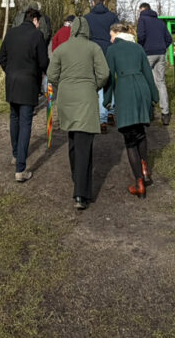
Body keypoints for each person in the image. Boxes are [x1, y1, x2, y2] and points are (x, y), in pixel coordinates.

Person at [46, 15, 109, 210]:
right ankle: (81, 193)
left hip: (66, 98)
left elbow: (51, 74)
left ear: (72, 30)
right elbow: (104, 73)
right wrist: (94, 87)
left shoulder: (62, 48)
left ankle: (77, 177)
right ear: (87, 31)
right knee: (84, 144)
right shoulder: (94, 48)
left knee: (73, 140)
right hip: (86, 98)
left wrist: (62, 86)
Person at [105, 22, 160, 197]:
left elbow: (109, 77)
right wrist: (154, 96)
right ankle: (145, 168)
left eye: (111, 35)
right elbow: (148, 73)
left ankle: (139, 182)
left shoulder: (112, 50)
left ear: (116, 33)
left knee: (129, 139)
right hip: (142, 88)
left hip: (125, 91)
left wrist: (106, 100)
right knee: (140, 132)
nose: (110, 38)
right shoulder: (138, 48)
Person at [0, 7, 49, 182]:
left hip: (12, 83)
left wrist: (10, 72)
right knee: (26, 121)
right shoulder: (37, 35)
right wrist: (39, 73)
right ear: (35, 20)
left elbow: (1, 58)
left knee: (14, 118)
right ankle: (21, 168)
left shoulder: (11, 33)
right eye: (39, 21)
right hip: (28, 83)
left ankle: (15, 154)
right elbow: (44, 61)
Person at [84, 0, 119, 130]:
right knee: (110, 81)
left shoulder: (86, 18)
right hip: (110, 51)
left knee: (99, 83)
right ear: (104, 3)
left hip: (94, 53)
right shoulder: (112, 16)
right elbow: (118, 33)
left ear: (93, 3)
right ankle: (110, 111)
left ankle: (102, 118)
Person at [137, 2, 173, 125]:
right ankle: (165, 112)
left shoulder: (142, 19)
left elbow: (141, 36)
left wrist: (141, 48)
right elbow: (169, 39)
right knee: (161, 82)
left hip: (148, 53)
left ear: (142, 10)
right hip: (161, 54)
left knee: (146, 81)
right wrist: (162, 48)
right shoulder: (160, 22)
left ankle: (149, 110)